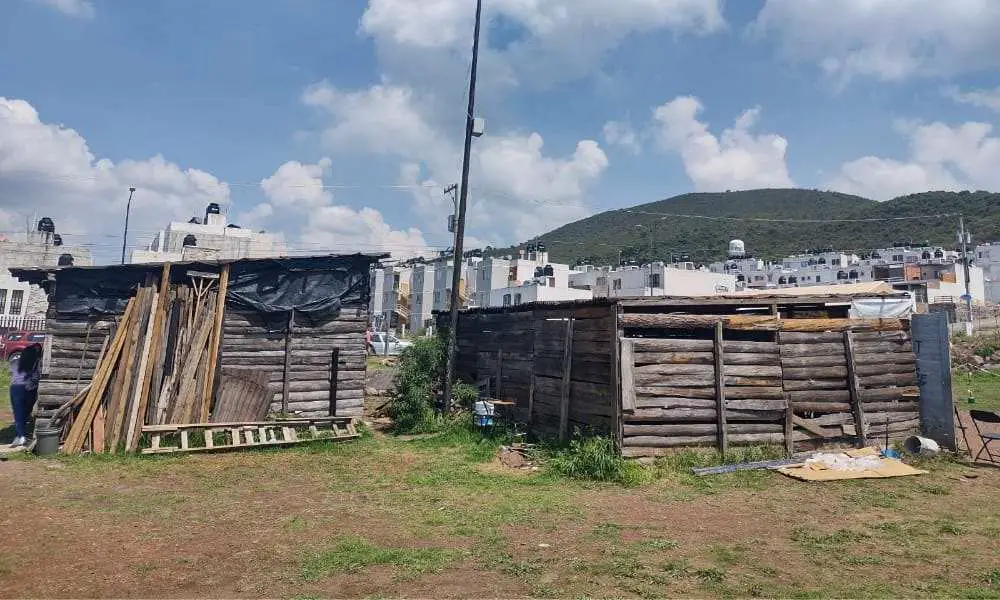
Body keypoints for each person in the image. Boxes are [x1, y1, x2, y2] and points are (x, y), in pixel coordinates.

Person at [8, 343, 41, 447]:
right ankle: (21, 434)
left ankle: (20, 436)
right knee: (26, 412)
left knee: (18, 414)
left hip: (15, 388)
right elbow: (36, 377)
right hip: (29, 389)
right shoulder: (36, 362)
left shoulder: (16, 362)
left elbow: (12, 372)